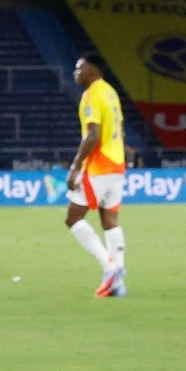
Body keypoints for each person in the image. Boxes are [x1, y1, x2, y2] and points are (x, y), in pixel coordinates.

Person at [64, 54, 127, 299]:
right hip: (117, 165)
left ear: (92, 69)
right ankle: (119, 279)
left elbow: (92, 134)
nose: (75, 72)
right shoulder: (111, 92)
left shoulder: (92, 94)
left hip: (99, 167)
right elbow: (120, 129)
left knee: (73, 217)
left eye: (79, 68)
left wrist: (76, 167)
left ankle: (109, 267)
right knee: (109, 220)